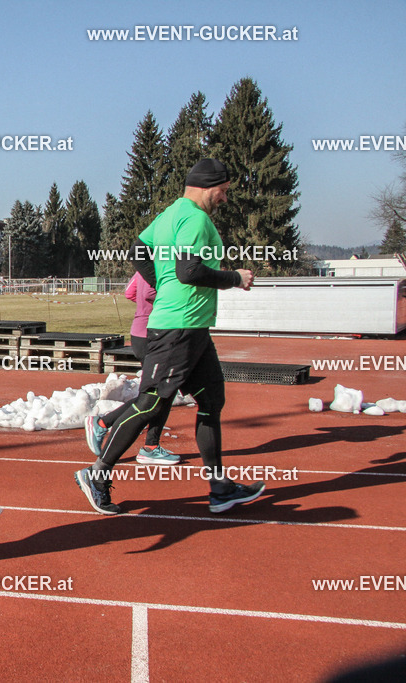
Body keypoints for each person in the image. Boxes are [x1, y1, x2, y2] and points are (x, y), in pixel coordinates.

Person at [75, 159, 265, 515]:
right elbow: (189, 270)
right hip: (177, 328)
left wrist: (160, 282)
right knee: (151, 403)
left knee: (212, 402)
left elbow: (138, 250)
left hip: (192, 329)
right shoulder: (194, 219)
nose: (224, 198)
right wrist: (235, 278)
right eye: (223, 191)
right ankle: (97, 473)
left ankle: (220, 487)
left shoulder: (169, 214)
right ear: (209, 186)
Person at [84, 271, 177, 465]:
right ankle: (103, 423)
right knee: (153, 396)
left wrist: (145, 309)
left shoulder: (147, 264)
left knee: (163, 392)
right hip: (153, 334)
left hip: (143, 332)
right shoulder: (161, 264)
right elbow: (153, 293)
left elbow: (130, 292)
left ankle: (151, 446)